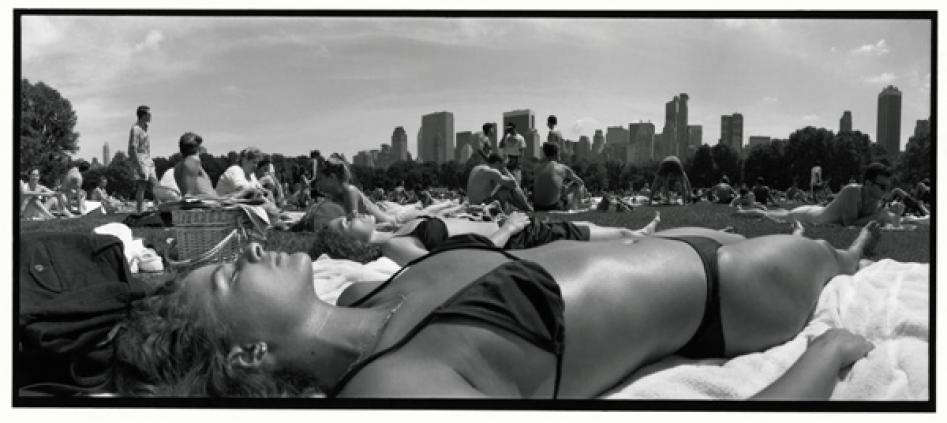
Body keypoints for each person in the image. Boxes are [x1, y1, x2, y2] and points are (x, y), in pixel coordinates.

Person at [112, 218, 880, 398]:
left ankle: (845, 246)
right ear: (248, 354)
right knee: (823, 256)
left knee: (822, 244)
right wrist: (827, 352)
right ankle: (845, 254)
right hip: (728, 293)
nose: (243, 248)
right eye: (224, 280)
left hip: (679, 245)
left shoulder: (356, 291)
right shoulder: (395, 392)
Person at [329, 211, 662, 266]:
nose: (353, 214)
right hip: (518, 239)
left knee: (587, 227)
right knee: (606, 234)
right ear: (353, 244)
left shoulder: (396, 229)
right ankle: (642, 240)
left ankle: (637, 238)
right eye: (346, 222)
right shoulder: (392, 245)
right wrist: (508, 231)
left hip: (512, 229)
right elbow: (452, 261)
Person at [736, 163, 893, 227]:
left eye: (887, 187)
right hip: (807, 215)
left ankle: (745, 211)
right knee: (769, 215)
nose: (885, 190)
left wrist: (894, 215)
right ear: (868, 183)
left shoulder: (874, 200)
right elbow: (850, 223)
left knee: (779, 213)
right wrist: (878, 217)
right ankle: (742, 212)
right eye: (882, 186)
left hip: (814, 210)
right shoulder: (852, 191)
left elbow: (876, 220)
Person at [466, 153, 533, 213]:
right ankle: (527, 209)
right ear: (497, 163)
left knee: (503, 185)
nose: (500, 170)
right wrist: (504, 169)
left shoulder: (476, 168)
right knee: (508, 188)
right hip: (482, 204)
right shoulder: (492, 171)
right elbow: (513, 183)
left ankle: (524, 209)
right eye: (501, 166)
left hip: (472, 203)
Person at [533, 142, 586, 211]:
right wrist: (568, 187)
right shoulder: (563, 168)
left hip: (537, 207)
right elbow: (581, 182)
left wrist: (563, 187)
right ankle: (573, 210)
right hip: (554, 207)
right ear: (556, 154)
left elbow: (547, 184)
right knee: (576, 185)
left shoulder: (537, 168)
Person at [128, 105, 157, 213]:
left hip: (148, 159)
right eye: (149, 114)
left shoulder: (145, 128)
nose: (151, 116)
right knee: (142, 186)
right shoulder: (135, 129)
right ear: (143, 115)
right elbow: (132, 148)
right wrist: (138, 166)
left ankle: (157, 209)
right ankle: (139, 211)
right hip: (141, 159)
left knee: (155, 185)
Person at [173, 132, 218, 199]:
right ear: (197, 148)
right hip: (205, 206)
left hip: (201, 204)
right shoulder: (191, 162)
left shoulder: (179, 166)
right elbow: (189, 195)